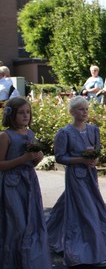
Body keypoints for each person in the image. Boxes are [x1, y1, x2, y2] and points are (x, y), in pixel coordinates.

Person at [46, 96, 106, 267]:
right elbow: (60, 157)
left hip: (90, 175)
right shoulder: (64, 133)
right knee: (88, 211)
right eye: (81, 109)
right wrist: (81, 160)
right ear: (72, 112)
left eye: (86, 109)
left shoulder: (94, 130)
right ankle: (89, 254)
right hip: (75, 176)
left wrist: (94, 160)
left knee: (68, 206)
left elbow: (97, 151)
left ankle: (48, 235)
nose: (85, 112)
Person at [0, 97, 52, 268]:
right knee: (17, 224)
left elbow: (30, 161)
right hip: (11, 184)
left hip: (29, 181)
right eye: (21, 113)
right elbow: (1, 165)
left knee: (31, 222)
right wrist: (24, 158)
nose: (25, 116)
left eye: (28, 112)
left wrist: (37, 158)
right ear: (11, 114)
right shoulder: (5, 136)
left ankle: (29, 261)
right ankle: (11, 262)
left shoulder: (30, 134)